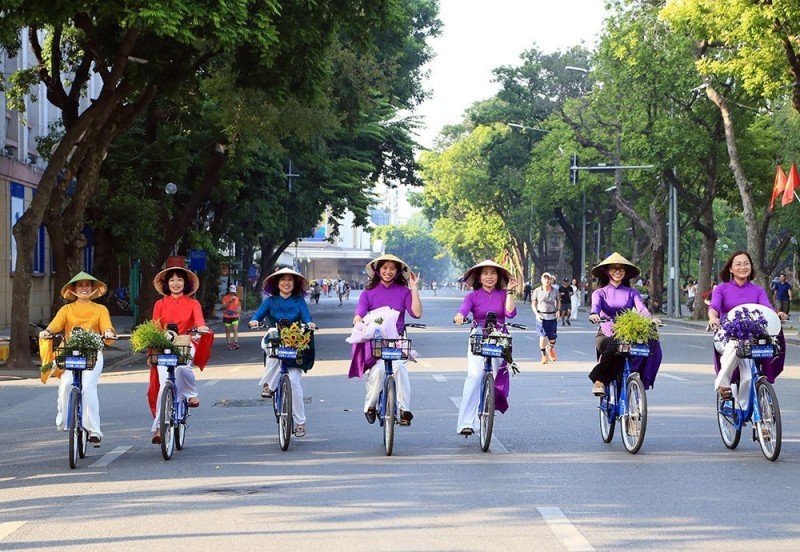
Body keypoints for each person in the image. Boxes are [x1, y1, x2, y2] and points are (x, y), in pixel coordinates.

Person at [39, 272, 116, 446]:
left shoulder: (100, 309)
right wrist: (47, 332)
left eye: (87, 285)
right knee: (66, 385)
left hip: (93, 354)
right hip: (70, 354)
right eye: (80, 286)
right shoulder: (66, 309)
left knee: (88, 388)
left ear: (93, 288)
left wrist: (108, 332)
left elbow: (106, 326)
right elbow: (55, 325)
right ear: (73, 289)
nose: (84, 288)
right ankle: (66, 420)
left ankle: (94, 430)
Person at [350, 254, 422, 425]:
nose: (388, 272)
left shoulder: (404, 291)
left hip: (396, 341)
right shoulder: (368, 292)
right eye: (385, 268)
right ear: (378, 270)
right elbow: (358, 314)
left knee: (399, 369)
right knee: (378, 371)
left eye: (392, 268)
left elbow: (417, 313)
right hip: (374, 341)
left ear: (397, 272)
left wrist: (414, 288)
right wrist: (358, 320)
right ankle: (370, 406)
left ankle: (404, 409)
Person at [708, 251, 787, 404]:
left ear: (751, 266)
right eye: (738, 264)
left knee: (750, 377)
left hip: (750, 339)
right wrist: (713, 318)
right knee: (735, 345)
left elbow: (767, 309)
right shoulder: (721, 289)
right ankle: (723, 384)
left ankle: (746, 411)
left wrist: (777, 315)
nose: (742, 267)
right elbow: (714, 307)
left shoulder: (758, 290)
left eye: (746, 263)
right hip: (726, 334)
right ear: (730, 269)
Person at [248, 267, 316, 438]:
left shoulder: (299, 301)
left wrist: (310, 324)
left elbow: (307, 318)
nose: (286, 283)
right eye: (283, 280)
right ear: (276, 283)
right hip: (275, 337)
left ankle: (300, 422)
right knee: (269, 347)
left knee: (293, 382)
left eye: (290, 280)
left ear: (295, 284)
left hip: (295, 339)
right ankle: (268, 384)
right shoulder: (270, 301)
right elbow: (257, 316)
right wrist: (254, 321)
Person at [453, 260, 518, 436]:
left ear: (499, 277)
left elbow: (510, 313)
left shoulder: (504, 294)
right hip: (478, 337)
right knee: (474, 376)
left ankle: (488, 404)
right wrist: (460, 316)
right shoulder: (472, 296)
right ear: (479, 277)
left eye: (493, 273)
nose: (489, 277)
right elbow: (464, 310)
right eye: (485, 273)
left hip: (499, 337)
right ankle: (466, 422)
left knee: (495, 376)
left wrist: (510, 290)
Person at [588, 253, 662, 396]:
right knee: (613, 346)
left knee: (648, 344)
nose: (618, 272)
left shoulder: (632, 292)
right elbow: (595, 306)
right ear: (607, 271)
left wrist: (650, 319)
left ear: (626, 272)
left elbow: (641, 308)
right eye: (614, 269)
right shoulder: (600, 293)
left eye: (621, 269)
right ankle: (599, 380)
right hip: (605, 333)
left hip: (626, 333)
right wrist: (594, 314)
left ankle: (635, 381)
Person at [150, 267, 210, 444]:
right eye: (172, 280)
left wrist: (202, 328)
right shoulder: (160, 304)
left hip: (185, 341)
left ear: (186, 283)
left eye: (179, 280)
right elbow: (154, 327)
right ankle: (160, 428)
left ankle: (191, 393)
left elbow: (199, 321)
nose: (176, 283)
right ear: (167, 284)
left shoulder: (193, 304)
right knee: (163, 386)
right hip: (164, 344)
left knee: (183, 366)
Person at [531, 272, 559, 364]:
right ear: (541, 280)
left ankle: (549, 348)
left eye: (548, 278)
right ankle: (543, 356)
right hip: (541, 316)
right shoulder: (537, 291)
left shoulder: (555, 290)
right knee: (542, 337)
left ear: (551, 280)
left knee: (552, 339)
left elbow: (558, 300)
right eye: (545, 278)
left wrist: (558, 310)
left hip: (552, 317)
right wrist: (536, 314)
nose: (546, 280)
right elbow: (533, 304)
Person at [221, 284, 242, 349]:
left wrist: (239, 315)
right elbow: (223, 307)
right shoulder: (225, 298)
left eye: (233, 292)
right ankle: (229, 344)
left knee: (235, 329)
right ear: (229, 291)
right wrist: (229, 302)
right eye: (231, 292)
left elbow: (239, 307)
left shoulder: (237, 299)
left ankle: (235, 343)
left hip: (235, 316)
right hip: (227, 316)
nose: (232, 293)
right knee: (228, 330)